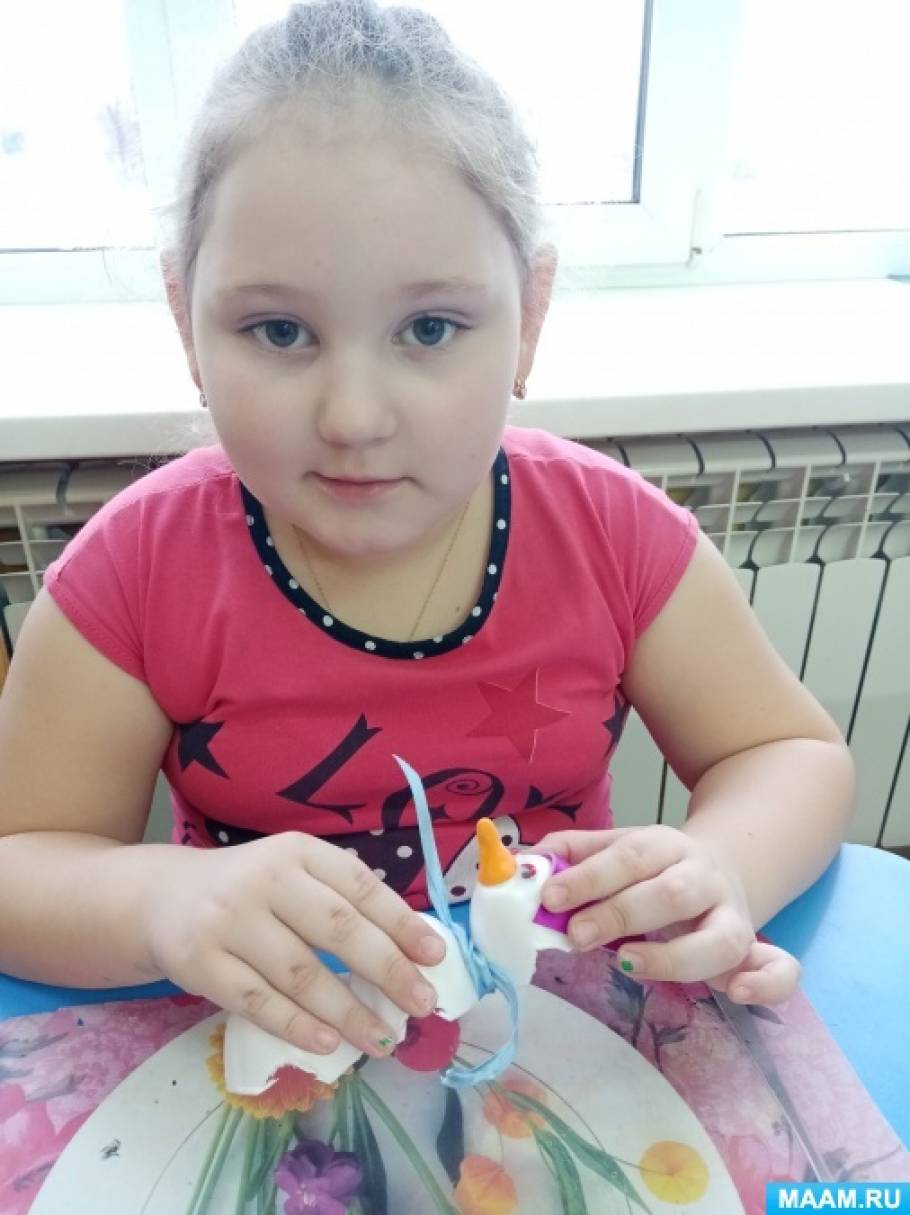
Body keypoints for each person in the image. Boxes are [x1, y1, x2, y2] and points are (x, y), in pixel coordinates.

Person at [0, 0, 853, 1065]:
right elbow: (20, 861)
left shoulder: (615, 537)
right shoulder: (134, 575)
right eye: (279, 330)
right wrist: (163, 901)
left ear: (529, 317)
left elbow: (789, 752)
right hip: (269, 1053)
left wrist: (721, 864)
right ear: (185, 321)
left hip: (548, 1043)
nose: (354, 416)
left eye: (431, 328)